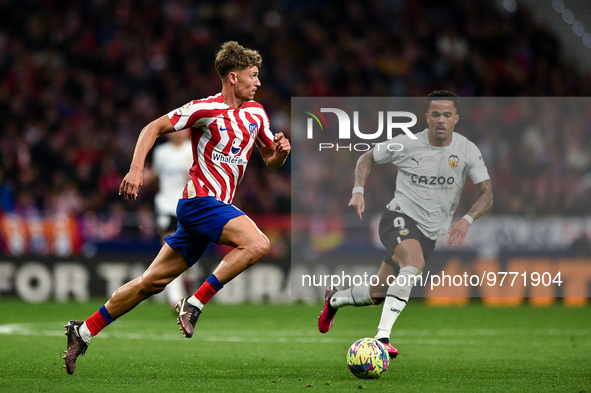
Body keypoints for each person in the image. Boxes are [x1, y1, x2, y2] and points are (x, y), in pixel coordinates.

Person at [63, 41, 291, 375]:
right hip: (198, 203)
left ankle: (82, 332)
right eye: (252, 76)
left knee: (149, 283)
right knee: (258, 243)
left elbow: (270, 159)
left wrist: (280, 154)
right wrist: (137, 169)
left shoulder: (257, 114)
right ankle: (195, 303)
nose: (258, 82)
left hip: (213, 209)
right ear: (232, 77)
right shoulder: (204, 109)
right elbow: (151, 128)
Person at [317, 90, 493, 359]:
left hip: (429, 234)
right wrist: (358, 191)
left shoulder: (468, 150)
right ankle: (382, 338)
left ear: (456, 118)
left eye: (447, 114)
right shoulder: (407, 144)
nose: (441, 120)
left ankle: (334, 299)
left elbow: (487, 194)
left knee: (377, 293)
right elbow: (366, 157)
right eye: (435, 114)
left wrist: (467, 220)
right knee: (414, 264)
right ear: (427, 117)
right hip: (398, 217)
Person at [150, 130, 194, 308]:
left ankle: (187, 276)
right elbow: (155, 176)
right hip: (166, 206)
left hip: (189, 205)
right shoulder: (161, 152)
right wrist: (148, 176)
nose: (178, 133)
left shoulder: (193, 149)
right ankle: (176, 299)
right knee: (168, 251)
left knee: (189, 250)